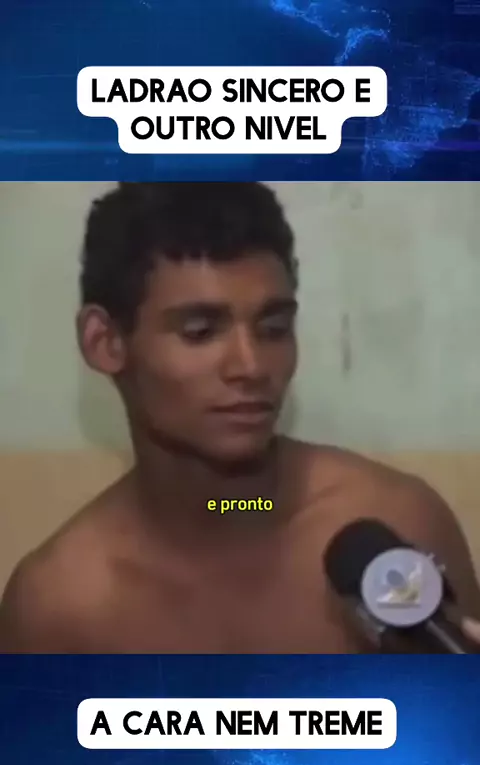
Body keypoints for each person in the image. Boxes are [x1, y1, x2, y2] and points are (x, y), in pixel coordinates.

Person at [0, 182, 479, 653]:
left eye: (274, 328)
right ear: (105, 342)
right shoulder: (59, 605)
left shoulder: (396, 530)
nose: (251, 367)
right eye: (200, 331)